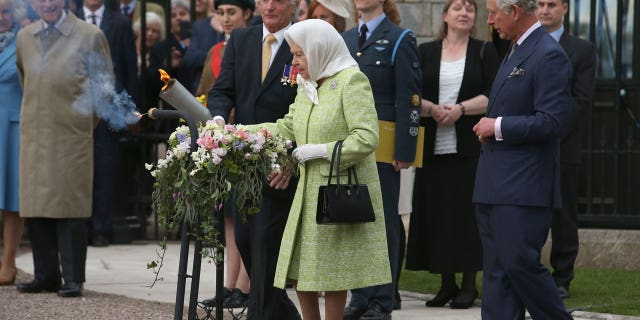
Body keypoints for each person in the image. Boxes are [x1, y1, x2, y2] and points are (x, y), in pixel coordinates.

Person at [248, 18, 391, 320]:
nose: (294, 61)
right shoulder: (307, 85)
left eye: (299, 54)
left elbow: (366, 137)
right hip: (307, 193)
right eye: (294, 54)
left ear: (319, 49)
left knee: (330, 274)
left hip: (335, 192)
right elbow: (286, 127)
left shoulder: (351, 80)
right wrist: (240, 132)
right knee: (302, 270)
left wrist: (323, 151)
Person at [472, 0, 574, 318]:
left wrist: (497, 125)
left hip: (523, 187)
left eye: (493, 13)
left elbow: (553, 122)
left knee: (520, 265)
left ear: (515, 11)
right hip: (494, 184)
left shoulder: (548, 54)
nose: (489, 21)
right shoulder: (515, 49)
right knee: (497, 275)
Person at [206, 0, 302, 318]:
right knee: (246, 238)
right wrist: (219, 120)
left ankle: (265, 310)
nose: (270, 6)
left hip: (281, 160)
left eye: (279, 0)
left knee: (268, 242)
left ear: (295, 5)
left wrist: (292, 155)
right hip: (244, 159)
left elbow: (310, 101)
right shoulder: (243, 39)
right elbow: (223, 90)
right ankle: (279, 310)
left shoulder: (303, 40)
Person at [15, 0, 114, 298]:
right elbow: (25, 80)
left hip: (71, 135)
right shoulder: (25, 38)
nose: (47, 3)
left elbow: (104, 88)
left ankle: (72, 278)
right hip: (35, 133)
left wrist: (80, 123)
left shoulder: (90, 35)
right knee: (36, 205)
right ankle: (45, 275)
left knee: (71, 207)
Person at [404, 0, 499, 310]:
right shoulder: (425, 52)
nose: (464, 12)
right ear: (445, 15)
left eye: (470, 8)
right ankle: (446, 283)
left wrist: (460, 109)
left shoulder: (484, 51)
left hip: (469, 150)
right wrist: (431, 109)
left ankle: (469, 285)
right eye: (457, 7)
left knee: (466, 217)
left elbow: (494, 95)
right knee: (439, 215)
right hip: (433, 149)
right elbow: (411, 92)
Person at [341, 0, 422, 319]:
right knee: (354, 220)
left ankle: (381, 300)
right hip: (350, 143)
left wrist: (406, 149)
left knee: (383, 223)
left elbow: (410, 98)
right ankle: (359, 296)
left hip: (384, 146)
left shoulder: (401, 38)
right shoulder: (345, 39)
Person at [537, 0, 596, 300]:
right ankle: (528, 272)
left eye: (551, 4)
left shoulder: (582, 50)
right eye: (539, 4)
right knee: (529, 212)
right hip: (528, 146)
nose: (545, 10)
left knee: (563, 215)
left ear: (564, 9)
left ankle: (562, 277)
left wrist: (549, 128)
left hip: (563, 145)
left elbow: (580, 100)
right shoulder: (524, 44)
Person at [197, 0, 254, 308]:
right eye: (220, 13)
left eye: (232, 12)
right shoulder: (215, 50)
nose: (226, 18)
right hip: (222, 136)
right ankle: (229, 284)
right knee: (229, 215)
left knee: (245, 211)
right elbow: (208, 89)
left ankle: (245, 284)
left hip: (246, 135)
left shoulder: (255, 42)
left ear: (247, 13)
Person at [78, 0, 138, 247]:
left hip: (108, 107)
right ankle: (79, 226)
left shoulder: (121, 23)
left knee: (104, 169)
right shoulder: (70, 19)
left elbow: (129, 66)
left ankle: (101, 228)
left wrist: (131, 109)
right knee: (78, 169)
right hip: (77, 108)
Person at [0, 0, 24, 286]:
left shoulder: (24, 41)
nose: (2, 18)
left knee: (12, 200)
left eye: (6, 12)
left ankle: (9, 263)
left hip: (14, 127)